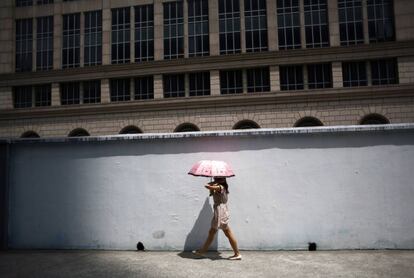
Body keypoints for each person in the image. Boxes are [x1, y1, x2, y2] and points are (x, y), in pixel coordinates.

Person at [193, 177, 242, 260]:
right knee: (214, 232)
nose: (216, 180)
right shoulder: (219, 187)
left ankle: (237, 254)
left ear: (223, 180)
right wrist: (212, 187)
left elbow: (207, 186)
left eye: (218, 179)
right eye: (216, 178)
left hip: (221, 211)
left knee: (223, 232)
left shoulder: (220, 187)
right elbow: (211, 193)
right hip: (219, 211)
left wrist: (211, 184)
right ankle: (202, 251)